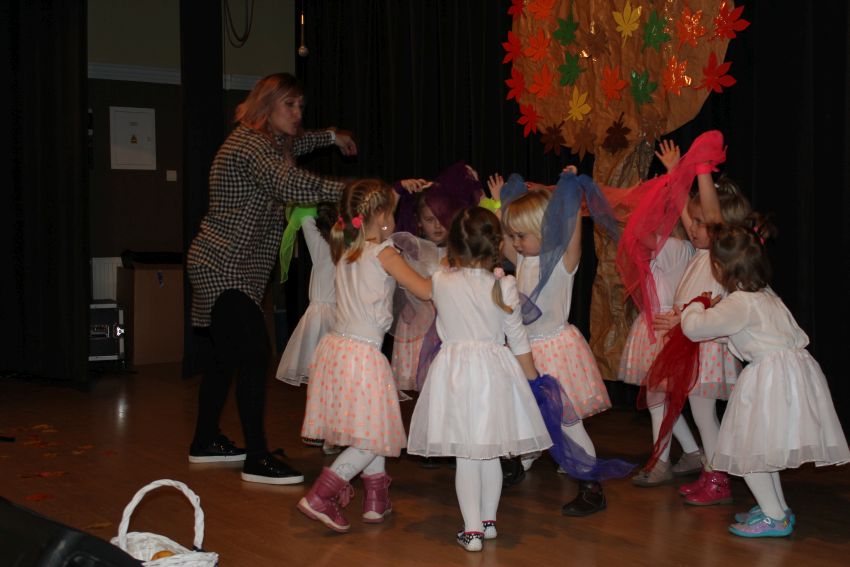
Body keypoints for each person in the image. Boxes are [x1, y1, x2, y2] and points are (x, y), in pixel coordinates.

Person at [186, 72, 357, 485]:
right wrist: (351, 191)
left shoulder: (274, 141)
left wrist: (331, 136)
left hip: (236, 266)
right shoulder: (250, 146)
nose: (298, 114)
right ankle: (257, 458)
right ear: (267, 106)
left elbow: (300, 143)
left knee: (225, 358)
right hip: (222, 265)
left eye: (301, 106)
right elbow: (290, 182)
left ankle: (205, 441)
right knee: (255, 353)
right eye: (290, 105)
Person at [680, 217, 850, 537]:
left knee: (746, 450)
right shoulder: (765, 294)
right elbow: (744, 333)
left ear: (720, 268)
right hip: (794, 374)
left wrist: (695, 306)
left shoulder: (739, 303)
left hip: (769, 378)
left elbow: (693, 329)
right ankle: (777, 509)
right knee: (762, 448)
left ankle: (774, 517)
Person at [406, 206, 552, 552]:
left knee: (468, 456)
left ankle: (472, 531)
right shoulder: (505, 284)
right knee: (490, 452)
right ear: (498, 245)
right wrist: (534, 380)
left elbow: (434, 276)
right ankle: (488, 523)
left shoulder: (441, 280)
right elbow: (518, 340)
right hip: (495, 374)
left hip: (455, 375)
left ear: (454, 247)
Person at [296, 179, 432, 533]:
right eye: (391, 212)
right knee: (373, 435)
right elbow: (424, 289)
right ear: (383, 216)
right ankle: (321, 496)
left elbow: (374, 218)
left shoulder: (346, 250)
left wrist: (395, 193)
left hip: (336, 350)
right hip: (362, 356)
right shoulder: (384, 253)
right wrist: (452, 274)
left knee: (371, 427)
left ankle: (376, 500)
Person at [495, 168, 628, 516]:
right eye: (513, 235)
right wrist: (501, 204)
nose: (515, 242)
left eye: (521, 235)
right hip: (525, 352)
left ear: (545, 230)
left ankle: (591, 485)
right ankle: (520, 464)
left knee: (568, 423)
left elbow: (571, 232)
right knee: (525, 414)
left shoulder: (563, 261)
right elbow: (506, 239)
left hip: (556, 352)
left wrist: (570, 192)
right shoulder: (523, 259)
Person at [649, 134, 751, 505]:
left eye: (700, 223)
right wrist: (677, 172)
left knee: (705, 414)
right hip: (692, 343)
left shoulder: (720, 256)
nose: (692, 227)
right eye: (691, 222)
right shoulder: (699, 251)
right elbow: (688, 210)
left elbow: (712, 218)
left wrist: (702, 170)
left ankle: (717, 477)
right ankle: (712, 471)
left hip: (707, 347)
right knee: (700, 412)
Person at [616, 140, 702, 487]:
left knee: (656, 400)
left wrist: (661, 185)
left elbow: (638, 231)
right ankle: (692, 453)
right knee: (659, 400)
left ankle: (660, 461)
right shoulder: (670, 246)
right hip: (657, 326)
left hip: (666, 329)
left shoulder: (676, 246)